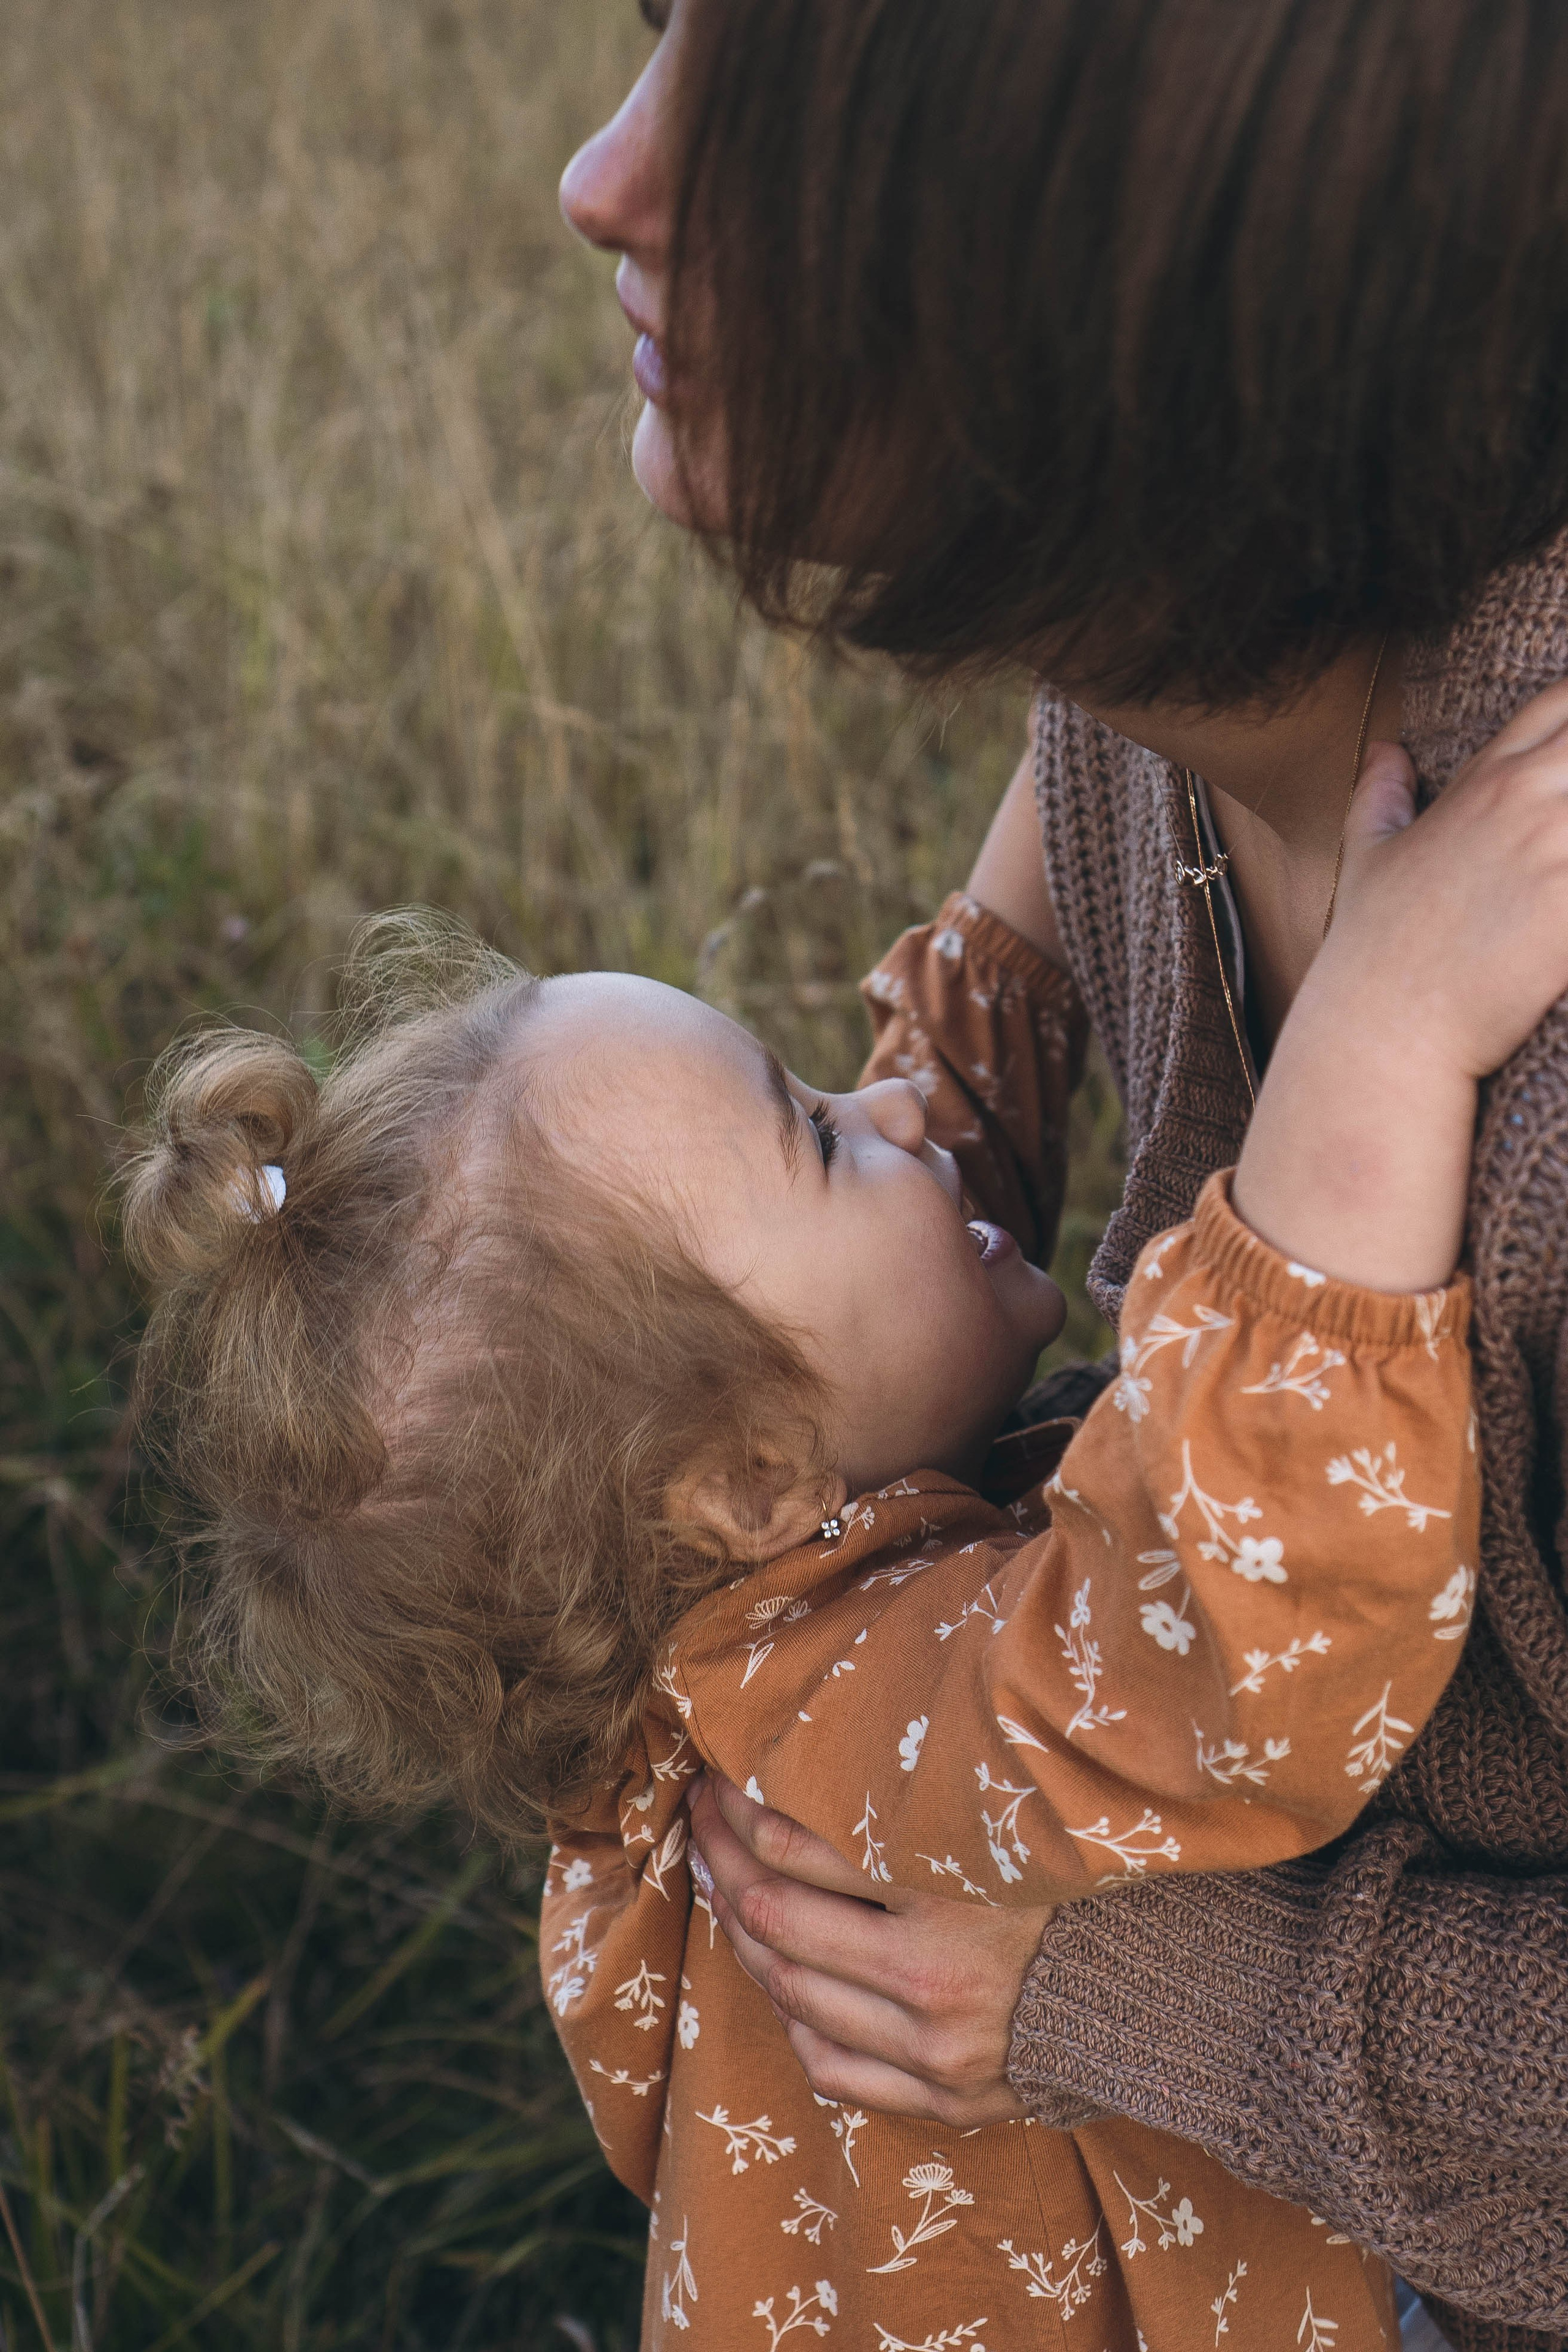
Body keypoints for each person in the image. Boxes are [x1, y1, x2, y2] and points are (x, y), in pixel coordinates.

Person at [557, 3, 1568, 2346]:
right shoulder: (1161, 676)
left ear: (1162, 260)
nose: (609, 182)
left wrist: (1143, 1994)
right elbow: (979, 1026)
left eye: (792, 133)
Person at [126, 714, 1561, 2343]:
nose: (892, 1111)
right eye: (814, 1129)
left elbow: (922, 1156)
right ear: (744, 1478)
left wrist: (1111, 704)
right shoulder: (870, 1734)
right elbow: (1238, 1623)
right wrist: (1387, 1032)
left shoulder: (711, 1599)